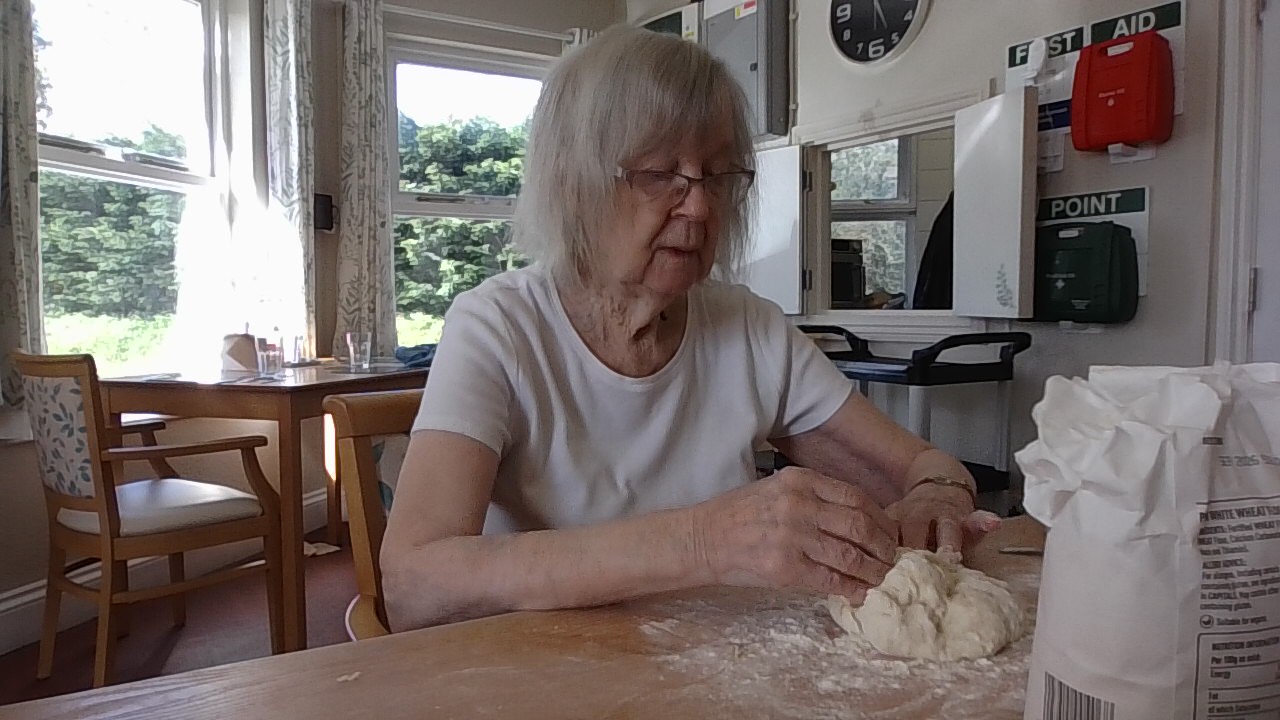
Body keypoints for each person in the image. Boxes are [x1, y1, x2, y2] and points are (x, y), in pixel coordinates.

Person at [380, 25, 998, 632]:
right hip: (554, 678)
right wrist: (704, 541)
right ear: (573, 182)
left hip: (723, 668)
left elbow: (917, 466)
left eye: (719, 175)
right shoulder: (499, 327)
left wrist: (939, 493)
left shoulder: (750, 328)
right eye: (657, 173)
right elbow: (417, 584)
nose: (700, 207)